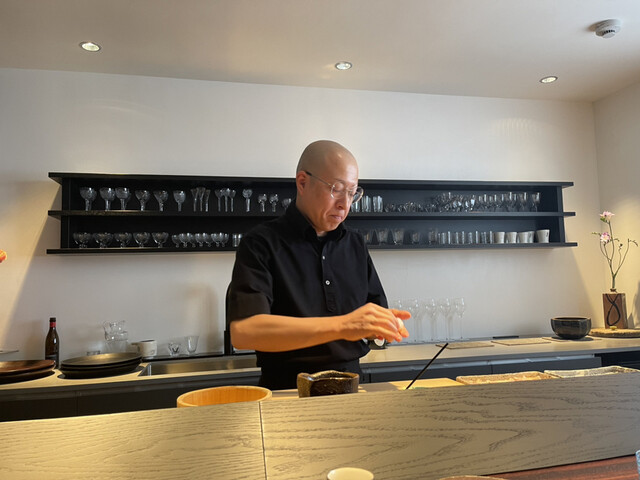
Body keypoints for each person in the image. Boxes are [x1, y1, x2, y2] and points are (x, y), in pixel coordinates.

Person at [226, 140, 410, 389]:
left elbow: (371, 318)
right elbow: (245, 332)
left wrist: (382, 325)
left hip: (351, 386)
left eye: (352, 193)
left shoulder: (355, 243)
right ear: (302, 182)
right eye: (337, 189)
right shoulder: (261, 243)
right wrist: (344, 325)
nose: (344, 204)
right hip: (287, 389)